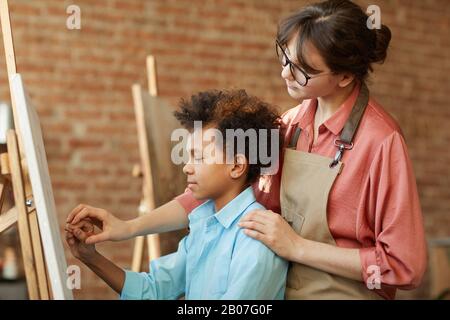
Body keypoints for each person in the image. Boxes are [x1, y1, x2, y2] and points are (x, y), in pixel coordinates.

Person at [67, 0, 427, 299]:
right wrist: (127, 228)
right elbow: (214, 188)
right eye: (284, 57)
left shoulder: (381, 142)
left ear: (345, 76)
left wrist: (297, 247)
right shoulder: (288, 126)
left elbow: (405, 266)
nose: (286, 74)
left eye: (302, 70)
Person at [66, 89, 288, 299]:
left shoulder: (257, 238)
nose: (187, 167)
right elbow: (152, 290)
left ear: (237, 166)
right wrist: (90, 257)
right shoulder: (204, 225)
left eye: (199, 158)